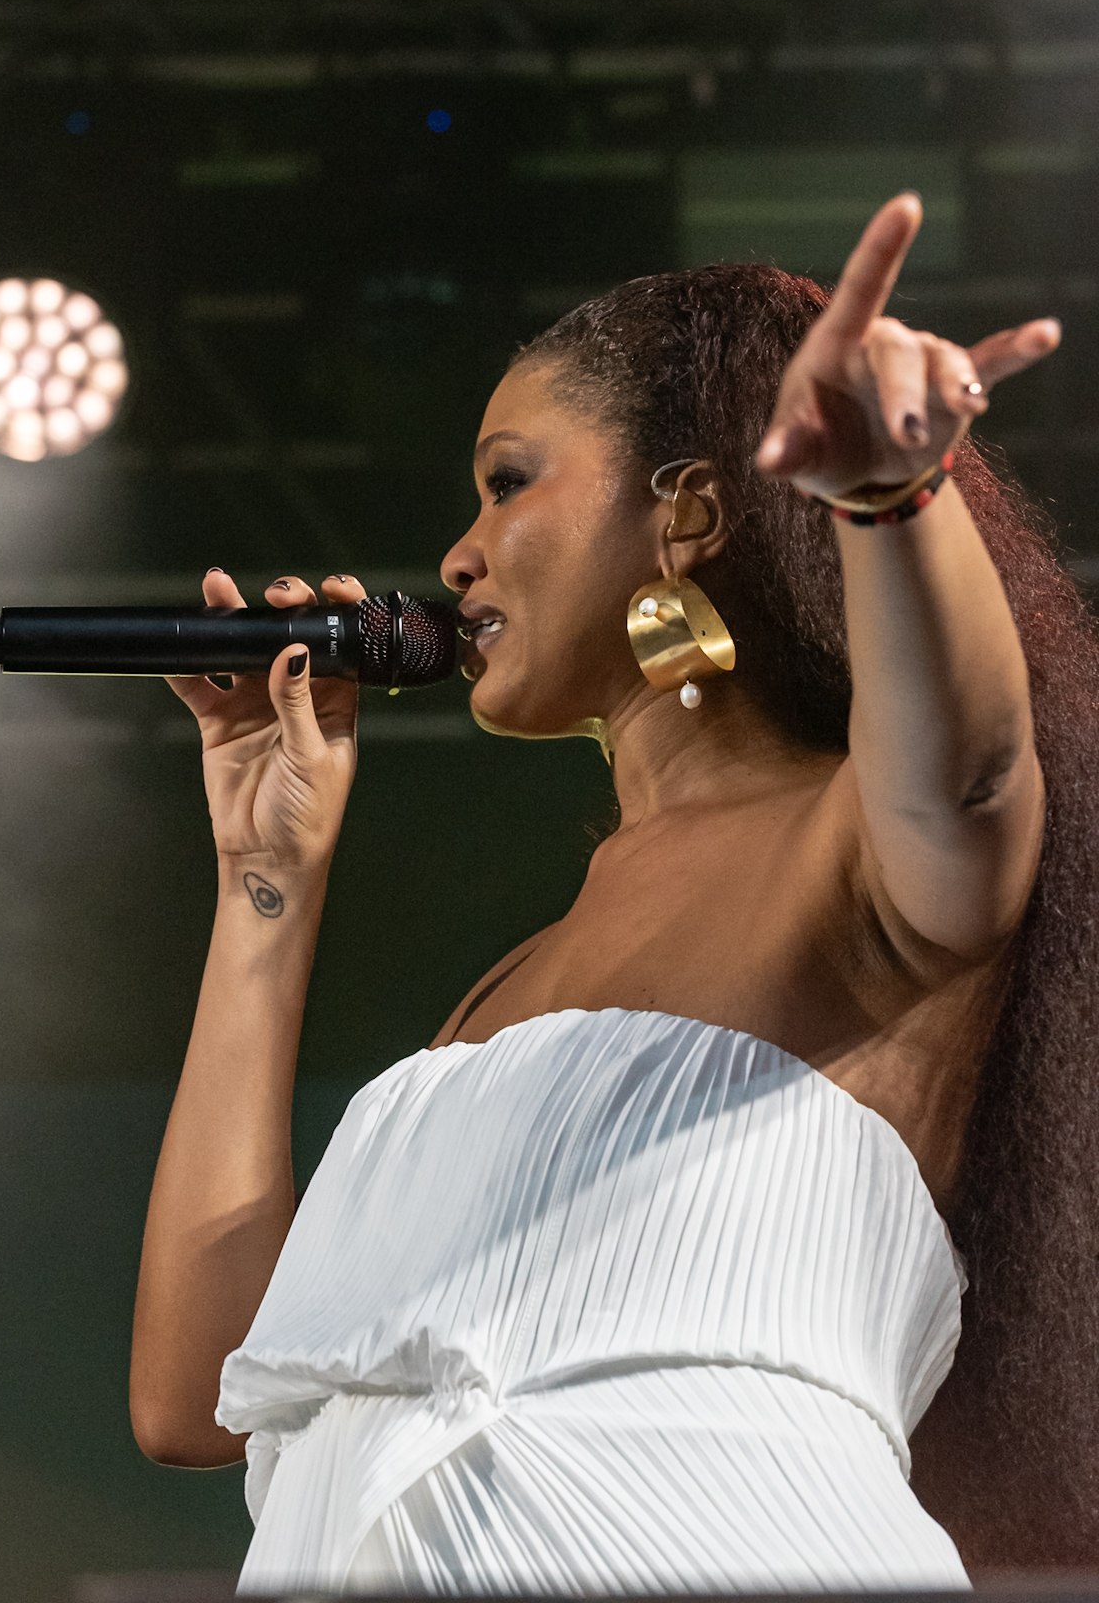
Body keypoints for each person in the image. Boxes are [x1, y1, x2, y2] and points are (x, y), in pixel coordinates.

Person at [129, 192, 1099, 1591]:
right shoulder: (500, 998)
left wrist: (891, 496)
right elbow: (197, 1394)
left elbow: (975, 777)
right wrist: (262, 880)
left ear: (686, 514)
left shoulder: (852, 851)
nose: (458, 556)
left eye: (508, 482)